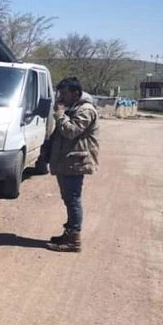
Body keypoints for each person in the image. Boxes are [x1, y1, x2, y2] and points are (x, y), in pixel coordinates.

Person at [47, 77, 99, 253]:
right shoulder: (74, 107)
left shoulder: (86, 110)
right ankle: (68, 233)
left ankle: (73, 240)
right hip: (67, 161)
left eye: (64, 93)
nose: (61, 97)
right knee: (69, 198)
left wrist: (60, 115)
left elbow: (71, 132)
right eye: (60, 93)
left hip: (75, 161)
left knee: (73, 199)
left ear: (76, 93)